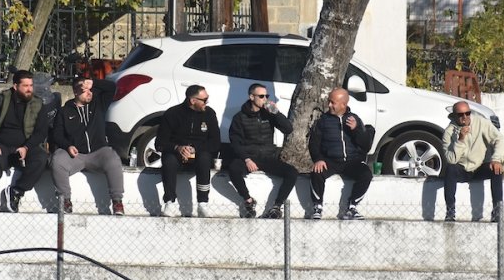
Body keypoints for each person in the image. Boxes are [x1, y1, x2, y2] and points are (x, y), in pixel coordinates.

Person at [0, 69, 51, 213]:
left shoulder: (38, 104)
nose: (29, 89)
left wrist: (26, 147)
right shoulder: (0, 100)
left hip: (26, 146)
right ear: (15, 86)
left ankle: (16, 191)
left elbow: (41, 132)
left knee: (41, 158)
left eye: (31, 85)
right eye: (25, 86)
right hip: (1, 145)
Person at [50, 76, 125, 215]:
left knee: (113, 158)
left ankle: (117, 202)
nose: (89, 93)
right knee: (57, 160)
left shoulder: (98, 104)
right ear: (75, 92)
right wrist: (68, 146)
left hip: (98, 152)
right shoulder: (64, 111)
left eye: (90, 90)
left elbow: (112, 88)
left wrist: (93, 82)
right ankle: (65, 201)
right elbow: (57, 135)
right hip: (76, 154)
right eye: (85, 90)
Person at [227, 83, 297, 219]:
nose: (265, 99)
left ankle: (276, 207)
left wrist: (276, 113)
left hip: (267, 156)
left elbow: (288, 129)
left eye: (266, 96)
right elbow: (235, 142)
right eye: (261, 96)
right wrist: (247, 159)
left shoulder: (269, 114)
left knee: (292, 172)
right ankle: (248, 200)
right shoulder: (239, 117)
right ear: (251, 97)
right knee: (234, 168)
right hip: (249, 156)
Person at [308, 88, 373, 220]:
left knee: (366, 174)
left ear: (343, 104)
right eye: (329, 102)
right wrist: (318, 159)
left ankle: (352, 207)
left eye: (333, 102)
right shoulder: (323, 121)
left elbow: (365, 145)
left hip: (352, 161)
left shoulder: (354, 119)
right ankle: (317, 206)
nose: (329, 105)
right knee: (317, 172)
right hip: (330, 161)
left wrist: (356, 130)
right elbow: (313, 143)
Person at [156, 84, 221, 217]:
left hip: (199, 153)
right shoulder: (172, 113)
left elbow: (215, 142)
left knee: (204, 158)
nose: (207, 102)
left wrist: (194, 149)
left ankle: (203, 203)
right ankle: (169, 202)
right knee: (169, 161)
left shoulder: (209, 114)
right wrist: (178, 148)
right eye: (204, 100)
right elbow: (160, 143)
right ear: (192, 100)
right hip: (176, 154)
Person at [441, 100, 504, 223]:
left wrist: (496, 159)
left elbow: (500, 140)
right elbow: (451, 159)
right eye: (460, 115)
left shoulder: (481, 122)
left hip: (480, 167)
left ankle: (497, 212)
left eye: (468, 113)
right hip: (462, 169)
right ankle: (450, 212)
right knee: (450, 169)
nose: (465, 117)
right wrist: (460, 140)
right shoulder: (449, 132)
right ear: (454, 116)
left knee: (497, 169)